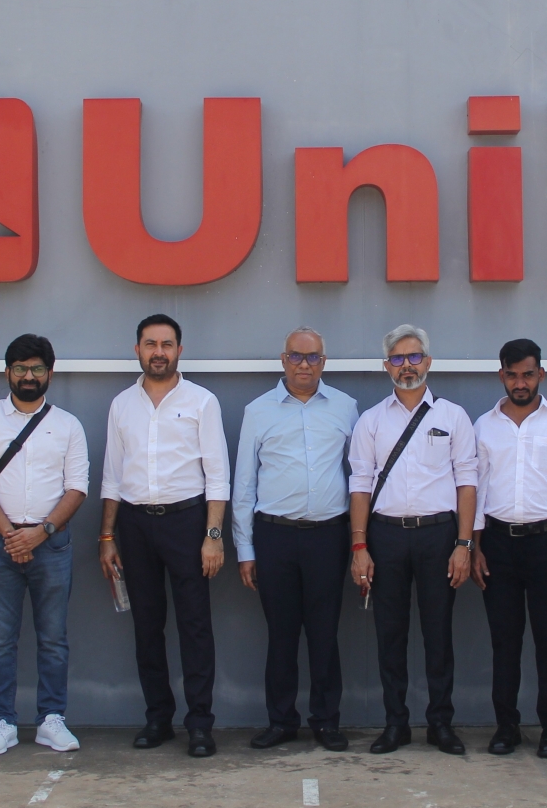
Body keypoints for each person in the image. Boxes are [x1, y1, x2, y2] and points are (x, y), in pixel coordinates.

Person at [100, 314, 232, 759]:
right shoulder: (122, 404)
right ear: (136, 349)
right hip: (135, 526)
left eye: (168, 344)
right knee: (146, 625)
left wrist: (213, 536)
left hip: (187, 522)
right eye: (151, 343)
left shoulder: (201, 401)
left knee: (195, 626)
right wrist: (106, 535)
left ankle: (199, 724)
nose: (159, 351)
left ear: (180, 349)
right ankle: (158, 717)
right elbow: (112, 477)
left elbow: (217, 475)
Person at [349, 324, 479, 756]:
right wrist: (360, 547)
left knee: (439, 634)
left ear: (428, 361)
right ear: (387, 366)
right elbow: (361, 485)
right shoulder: (371, 420)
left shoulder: (452, 416)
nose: (407, 366)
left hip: (439, 536)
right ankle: (395, 723)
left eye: (414, 356)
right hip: (385, 536)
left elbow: (467, 482)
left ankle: (441, 723)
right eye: (398, 359)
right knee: (391, 634)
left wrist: (464, 545)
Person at [233, 327, 359, 751]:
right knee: (281, 635)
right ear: (283, 359)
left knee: (325, 634)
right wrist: (245, 550)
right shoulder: (258, 410)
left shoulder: (346, 407)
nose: (305, 365)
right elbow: (244, 485)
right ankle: (281, 721)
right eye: (296, 356)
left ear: (324, 361)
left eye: (313, 357)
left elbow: (360, 476)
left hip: (329, 537)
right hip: (275, 537)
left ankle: (326, 721)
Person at [0, 334, 89, 756]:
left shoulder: (68, 424)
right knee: (0, 638)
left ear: (49, 374)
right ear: (7, 373)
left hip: (51, 545)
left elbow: (77, 488)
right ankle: (2, 721)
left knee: (53, 638)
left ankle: (51, 719)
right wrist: (10, 535)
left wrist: (41, 532)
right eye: (20, 369)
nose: (29, 376)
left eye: (37, 369)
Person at [468, 339, 547, 759]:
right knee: (504, 641)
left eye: (528, 374)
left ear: (541, 374)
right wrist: (476, 547)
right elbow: (477, 491)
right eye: (512, 374)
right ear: (501, 375)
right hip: (498, 545)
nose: (520, 382)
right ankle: (507, 727)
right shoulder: (483, 427)